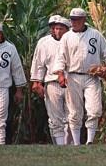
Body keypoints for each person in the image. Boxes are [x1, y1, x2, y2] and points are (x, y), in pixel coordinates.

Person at [53, 8, 106, 145]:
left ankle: (90, 141)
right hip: (73, 76)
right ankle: (76, 143)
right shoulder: (67, 37)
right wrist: (60, 74)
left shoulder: (95, 35)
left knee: (94, 109)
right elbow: (60, 58)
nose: (74, 22)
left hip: (92, 76)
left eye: (77, 19)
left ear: (84, 19)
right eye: (72, 19)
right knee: (74, 112)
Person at [30, 15, 71, 145]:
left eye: (60, 28)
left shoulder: (73, 40)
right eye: (54, 28)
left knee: (72, 117)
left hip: (71, 82)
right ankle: (59, 146)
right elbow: (38, 64)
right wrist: (37, 82)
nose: (56, 31)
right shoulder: (44, 42)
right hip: (52, 83)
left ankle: (70, 145)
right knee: (55, 118)